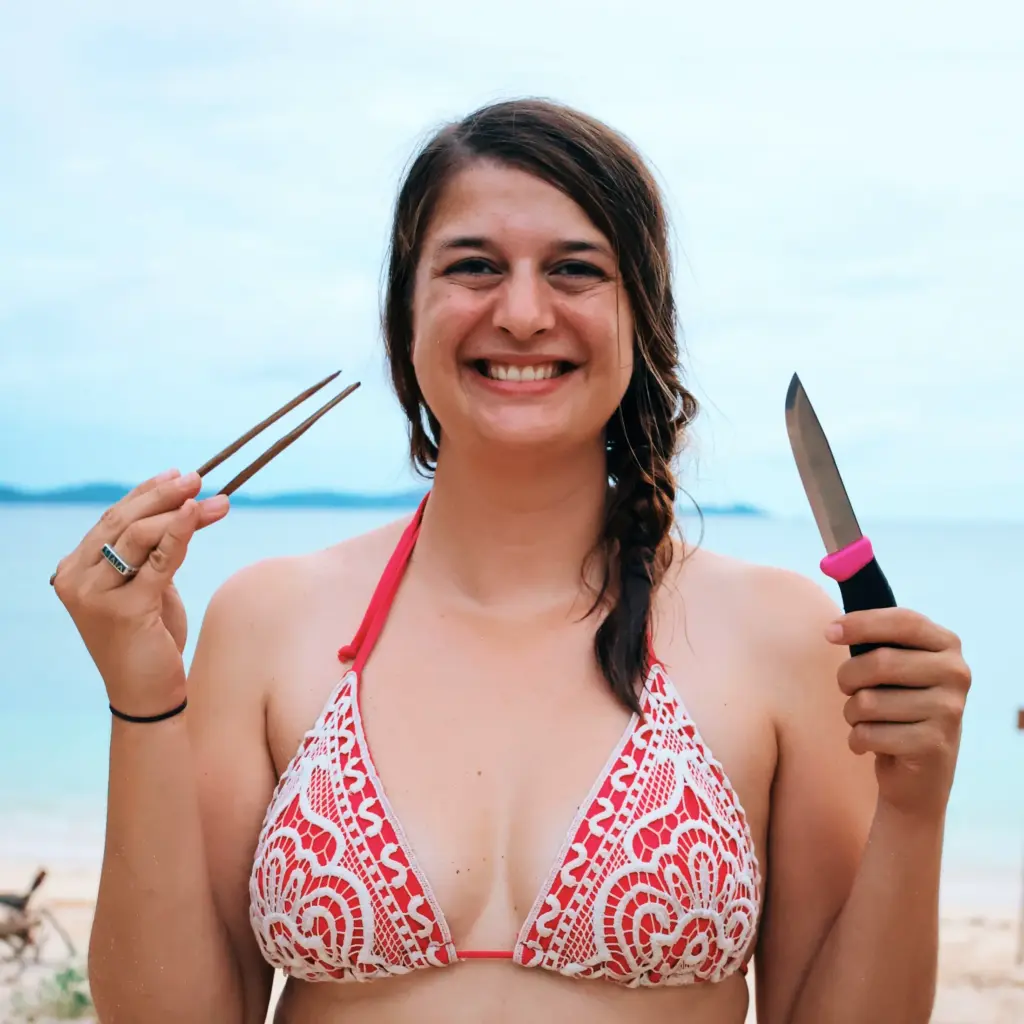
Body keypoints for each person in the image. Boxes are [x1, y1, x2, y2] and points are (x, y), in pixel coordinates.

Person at [52, 99, 971, 1024]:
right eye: (475, 267)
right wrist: (143, 699)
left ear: (642, 321)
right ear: (402, 316)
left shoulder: (781, 635)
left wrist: (916, 809)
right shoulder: (268, 619)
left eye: (575, 270)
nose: (524, 313)